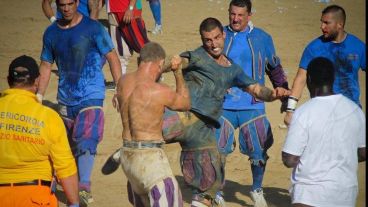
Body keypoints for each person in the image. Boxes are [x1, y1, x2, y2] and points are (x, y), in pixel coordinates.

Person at [103, 17, 290, 207]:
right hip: (181, 115)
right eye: (208, 40)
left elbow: (257, 89)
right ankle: (127, 149)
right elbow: (174, 63)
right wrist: (161, 69)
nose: (213, 44)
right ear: (202, 40)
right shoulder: (197, 56)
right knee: (148, 133)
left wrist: (273, 94)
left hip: (203, 130)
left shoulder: (233, 70)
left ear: (223, 35)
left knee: (209, 178)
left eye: (216, 38)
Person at [38, 0, 122, 205]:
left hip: (91, 93)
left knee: (87, 136)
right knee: (68, 150)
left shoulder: (94, 28)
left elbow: (112, 57)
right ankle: (69, 188)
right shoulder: (51, 33)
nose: (66, 9)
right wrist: (39, 95)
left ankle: (84, 187)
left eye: (70, 4)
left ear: (77, 3)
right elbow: (46, 65)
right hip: (66, 98)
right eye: (62, 5)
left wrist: (119, 89)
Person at [214, 0, 289, 206]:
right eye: (232, 14)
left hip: (253, 105)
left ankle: (256, 189)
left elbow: (274, 68)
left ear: (250, 15)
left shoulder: (262, 38)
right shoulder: (218, 35)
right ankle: (217, 191)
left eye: (240, 15)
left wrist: (284, 95)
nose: (235, 19)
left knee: (258, 152)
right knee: (217, 151)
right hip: (223, 105)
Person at [282, 57, 366, 207]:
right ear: (333, 78)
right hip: (345, 194)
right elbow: (363, 153)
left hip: (309, 195)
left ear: (309, 79)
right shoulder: (355, 110)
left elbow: (289, 159)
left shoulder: (303, 113)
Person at [115, 42, 190, 206]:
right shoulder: (159, 90)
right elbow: (185, 104)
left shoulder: (123, 81)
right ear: (161, 64)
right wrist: (178, 73)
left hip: (128, 157)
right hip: (150, 160)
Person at [0, 55, 79, 207]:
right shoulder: (49, 117)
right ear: (37, 81)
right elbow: (65, 167)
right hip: (35, 197)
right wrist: (74, 203)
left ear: (9, 80)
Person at [284, 4, 366, 126]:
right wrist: (290, 110)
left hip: (352, 112)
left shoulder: (358, 46)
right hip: (322, 114)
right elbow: (301, 78)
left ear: (340, 24)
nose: (322, 27)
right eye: (322, 22)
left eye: (327, 23)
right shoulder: (314, 48)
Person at [106, 0, 150, 76]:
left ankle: (155, 75)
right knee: (119, 47)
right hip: (112, 11)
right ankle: (121, 79)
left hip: (127, 10)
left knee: (142, 46)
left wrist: (130, 8)